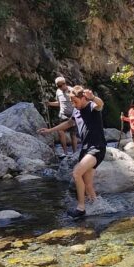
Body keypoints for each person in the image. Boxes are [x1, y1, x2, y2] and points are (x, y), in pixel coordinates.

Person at [38, 86, 105, 218]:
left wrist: (93, 97)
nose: (74, 104)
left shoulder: (91, 106)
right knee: (88, 185)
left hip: (97, 148)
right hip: (85, 149)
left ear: (83, 98)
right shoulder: (76, 110)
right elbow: (69, 123)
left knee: (76, 172)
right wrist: (50, 130)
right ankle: (100, 208)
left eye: (75, 101)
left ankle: (81, 208)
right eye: (72, 102)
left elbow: (100, 104)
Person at [46, 77, 78, 156]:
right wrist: (50, 103)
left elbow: (77, 102)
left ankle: (75, 153)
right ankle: (65, 153)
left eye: (60, 85)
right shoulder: (58, 91)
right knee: (60, 132)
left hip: (72, 115)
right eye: (58, 86)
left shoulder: (72, 90)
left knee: (73, 134)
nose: (60, 87)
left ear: (64, 83)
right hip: (62, 115)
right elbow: (59, 103)